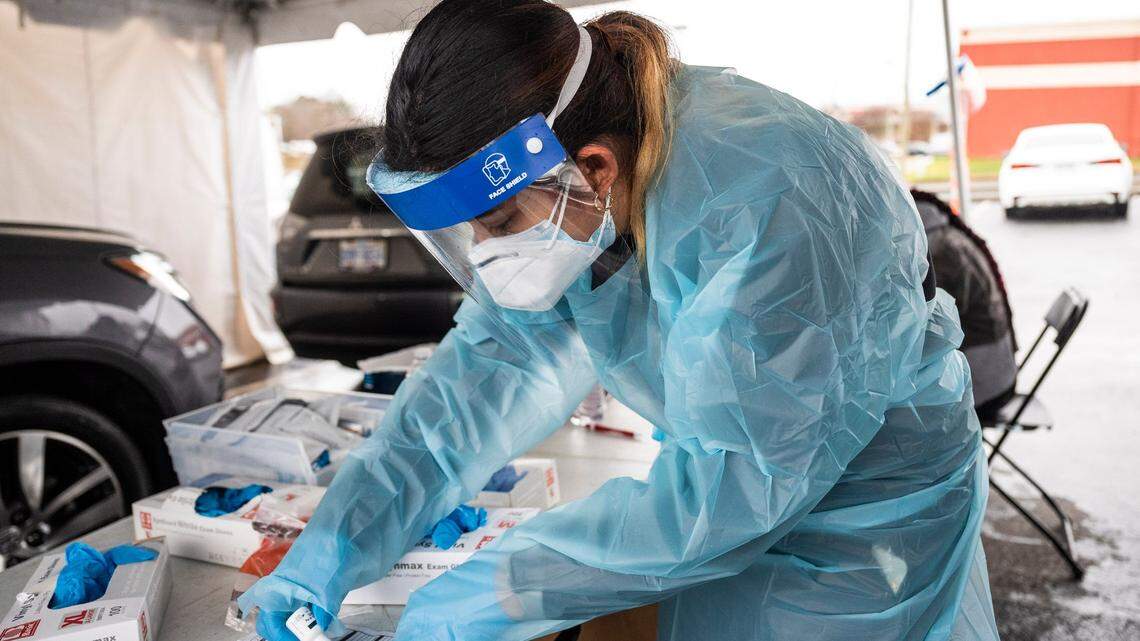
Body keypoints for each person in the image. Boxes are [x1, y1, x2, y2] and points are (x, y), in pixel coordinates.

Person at [239, 2, 1000, 639]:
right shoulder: (583, 201)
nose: (485, 251)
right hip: (738, 514)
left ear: (595, 168)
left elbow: (732, 487)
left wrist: (480, 596)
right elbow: (466, 397)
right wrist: (327, 552)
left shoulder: (767, 196)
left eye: (499, 220)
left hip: (871, 532)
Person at [911, 189, 1018, 421]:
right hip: (998, 371)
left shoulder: (938, 252)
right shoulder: (944, 236)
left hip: (986, 386)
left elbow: (924, 327)